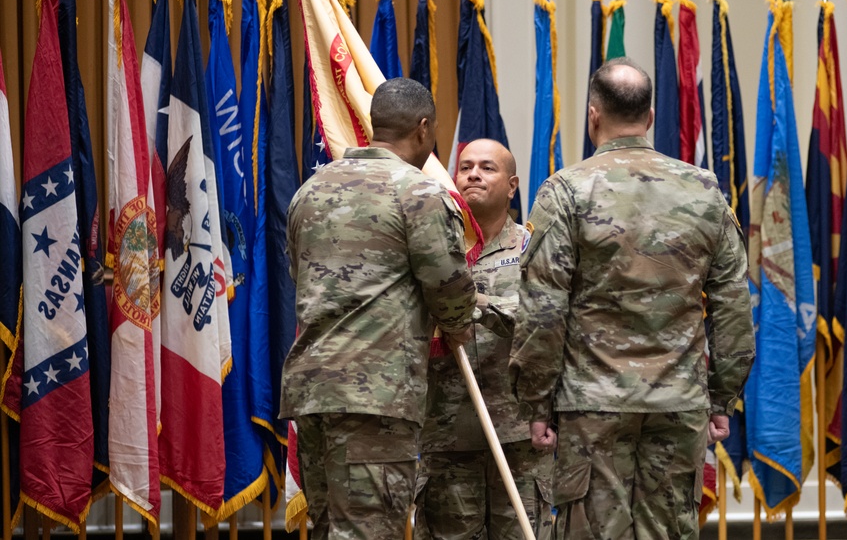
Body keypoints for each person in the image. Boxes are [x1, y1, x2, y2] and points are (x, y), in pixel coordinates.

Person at [510, 57, 754, 540]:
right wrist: (722, 395)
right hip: (678, 400)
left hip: (592, 402)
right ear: (651, 117)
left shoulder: (566, 191)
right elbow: (732, 305)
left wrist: (537, 402)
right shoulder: (704, 190)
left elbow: (543, 309)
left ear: (593, 115)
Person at [281, 78, 477, 540]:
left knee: (329, 527)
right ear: (424, 128)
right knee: (371, 532)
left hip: (312, 393)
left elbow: (300, 276)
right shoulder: (419, 194)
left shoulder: (309, 191)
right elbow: (449, 290)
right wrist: (459, 322)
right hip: (375, 397)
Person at [416, 138, 553, 540]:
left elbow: (543, 322)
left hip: (519, 437)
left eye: (487, 168)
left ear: (512, 185)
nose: (473, 174)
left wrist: (469, 299)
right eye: (465, 167)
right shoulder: (433, 254)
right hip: (447, 434)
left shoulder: (535, 250)